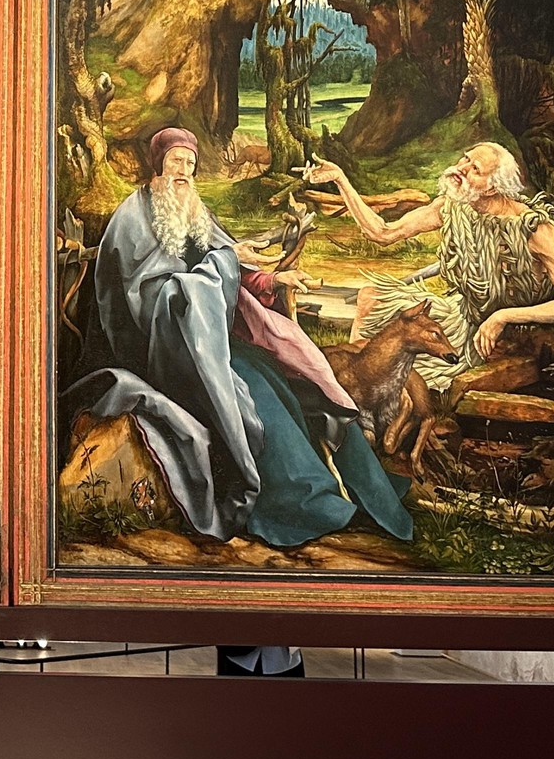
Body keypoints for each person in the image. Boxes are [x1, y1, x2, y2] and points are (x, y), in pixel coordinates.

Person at [64, 127, 412, 548]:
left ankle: (351, 491)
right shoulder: (132, 218)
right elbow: (151, 300)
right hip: (160, 350)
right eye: (176, 162)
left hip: (203, 340)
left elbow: (234, 268)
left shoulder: (193, 210)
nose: (184, 172)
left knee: (282, 378)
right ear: (157, 165)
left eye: (190, 164)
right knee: (253, 397)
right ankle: (307, 502)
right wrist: (223, 264)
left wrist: (273, 279)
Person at [306, 142, 554, 392]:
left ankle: (372, 390)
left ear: (492, 187)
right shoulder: (453, 207)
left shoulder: (535, 228)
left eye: (475, 168)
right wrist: (340, 179)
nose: (461, 168)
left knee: (405, 369)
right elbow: (383, 232)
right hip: (461, 314)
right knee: (371, 298)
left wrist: (503, 317)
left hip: (503, 330)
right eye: (465, 158)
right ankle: (354, 382)